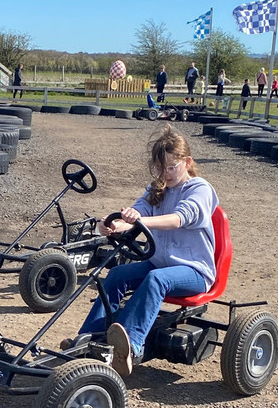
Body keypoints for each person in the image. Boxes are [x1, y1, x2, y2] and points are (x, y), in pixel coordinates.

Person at [75, 125, 219, 376]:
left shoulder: (200, 190)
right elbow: (139, 208)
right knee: (117, 275)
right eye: (161, 168)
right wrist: (115, 224)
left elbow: (179, 219)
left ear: (187, 162)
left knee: (155, 280)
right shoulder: (158, 188)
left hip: (195, 271)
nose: (166, 173)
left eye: (171, 167)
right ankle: (88, 340)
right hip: (160, 264)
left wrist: (140, 222)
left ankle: (130, 346)